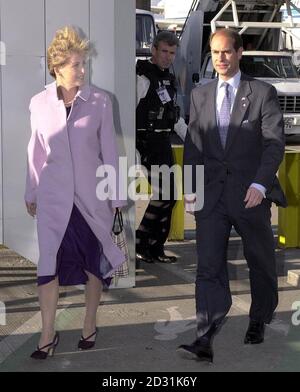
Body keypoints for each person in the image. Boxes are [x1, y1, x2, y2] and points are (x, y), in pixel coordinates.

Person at [177, 28, 286, 363]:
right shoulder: (200, 95)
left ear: (240, 53)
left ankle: (259, 317)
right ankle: (205, 335)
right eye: (214, 52)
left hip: (249, 195)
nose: (220, 58)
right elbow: (193, 146)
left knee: (261, 262)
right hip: (211, 195)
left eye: (226, 52)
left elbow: (273, 144)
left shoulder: (262, 93)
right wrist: (191, 191)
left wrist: (260, 185)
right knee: (208, 267)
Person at [25, 26, 126, 359]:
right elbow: (35, 152)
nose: (82, 71)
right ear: (57, 67)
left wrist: (117, 197)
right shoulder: (38, 103)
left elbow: (110, 152)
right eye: (76, 65)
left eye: (84, 64)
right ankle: (47, 334)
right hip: (54, 200)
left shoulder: (100, 101)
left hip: (90, 200)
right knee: (47, 267)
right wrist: (31, 190)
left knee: (92, 265)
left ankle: (89, 321)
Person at [136, 31, 187, 265]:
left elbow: (174, 116)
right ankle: (141, 241)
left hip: (163, 142)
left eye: (172, 53)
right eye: (164, 51)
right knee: (164, 195)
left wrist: (193, 140)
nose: (168, 57)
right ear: (154, 50)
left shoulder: (168, 78)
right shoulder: (142, 77)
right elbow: (129, 112)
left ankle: (155, 247)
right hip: (146, 143)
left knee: (172, 196)